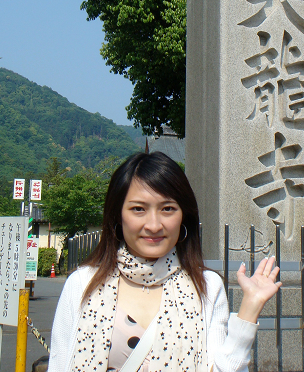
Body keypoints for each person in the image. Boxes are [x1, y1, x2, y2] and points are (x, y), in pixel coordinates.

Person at [48, 152, 282, 372]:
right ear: (118, 215)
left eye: (168, 209)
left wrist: (249, 308)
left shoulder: (207, 286)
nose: (154, 225)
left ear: (184, 217)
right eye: (138, 209)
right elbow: (59, 364)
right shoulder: (83, 283)